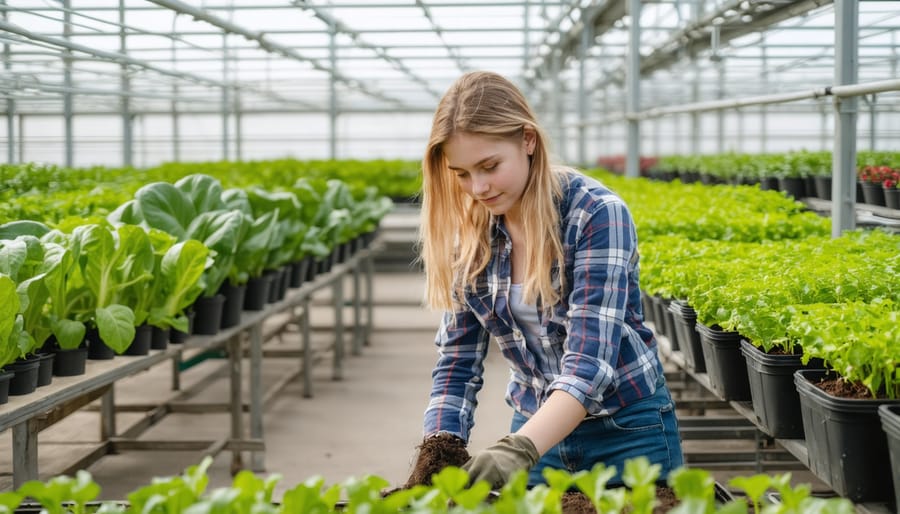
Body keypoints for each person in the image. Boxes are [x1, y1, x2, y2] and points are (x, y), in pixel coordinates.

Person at [413, 70, 684, 490]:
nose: (478, 187)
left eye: (489, 166)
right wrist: (440, 446)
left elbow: (589, 365)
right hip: (534, 426)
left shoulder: (595, 214)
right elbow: (458, 359)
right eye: (462, 173)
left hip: (626, 432)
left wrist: (517, 450)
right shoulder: (470, 234)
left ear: (528, 141)